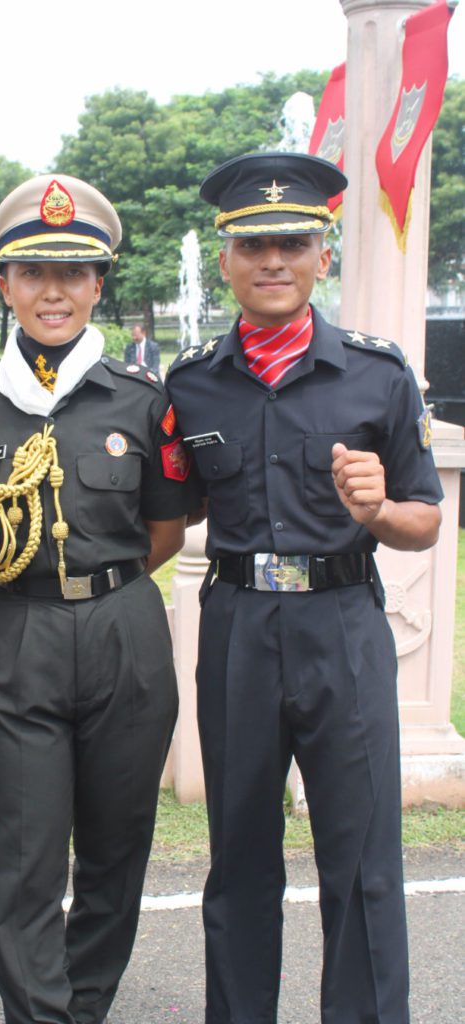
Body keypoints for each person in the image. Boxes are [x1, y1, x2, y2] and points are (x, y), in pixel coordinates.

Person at [165, 152, 443, 1024]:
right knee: (239, 855)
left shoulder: (376, 372)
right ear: (225, 261)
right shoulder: (190, 381)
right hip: (238, 627)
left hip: (342, 625)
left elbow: (426, 519)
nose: (273, 260)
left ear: (324, 254)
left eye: (293, 242)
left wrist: (376, 508)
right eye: (254, 245)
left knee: (360, 861)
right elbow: (163, 520)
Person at [0, 173, 191, 1024]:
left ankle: (81, 1007)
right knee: (21, 857)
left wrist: (103, 587)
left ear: (98, 283)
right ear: (5, 285)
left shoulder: (142, 398)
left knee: (116, 851)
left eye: (74, 273)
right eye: (34, 273)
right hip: (19, 629)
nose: (54, 290)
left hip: (125, 629)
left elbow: (160, 530)